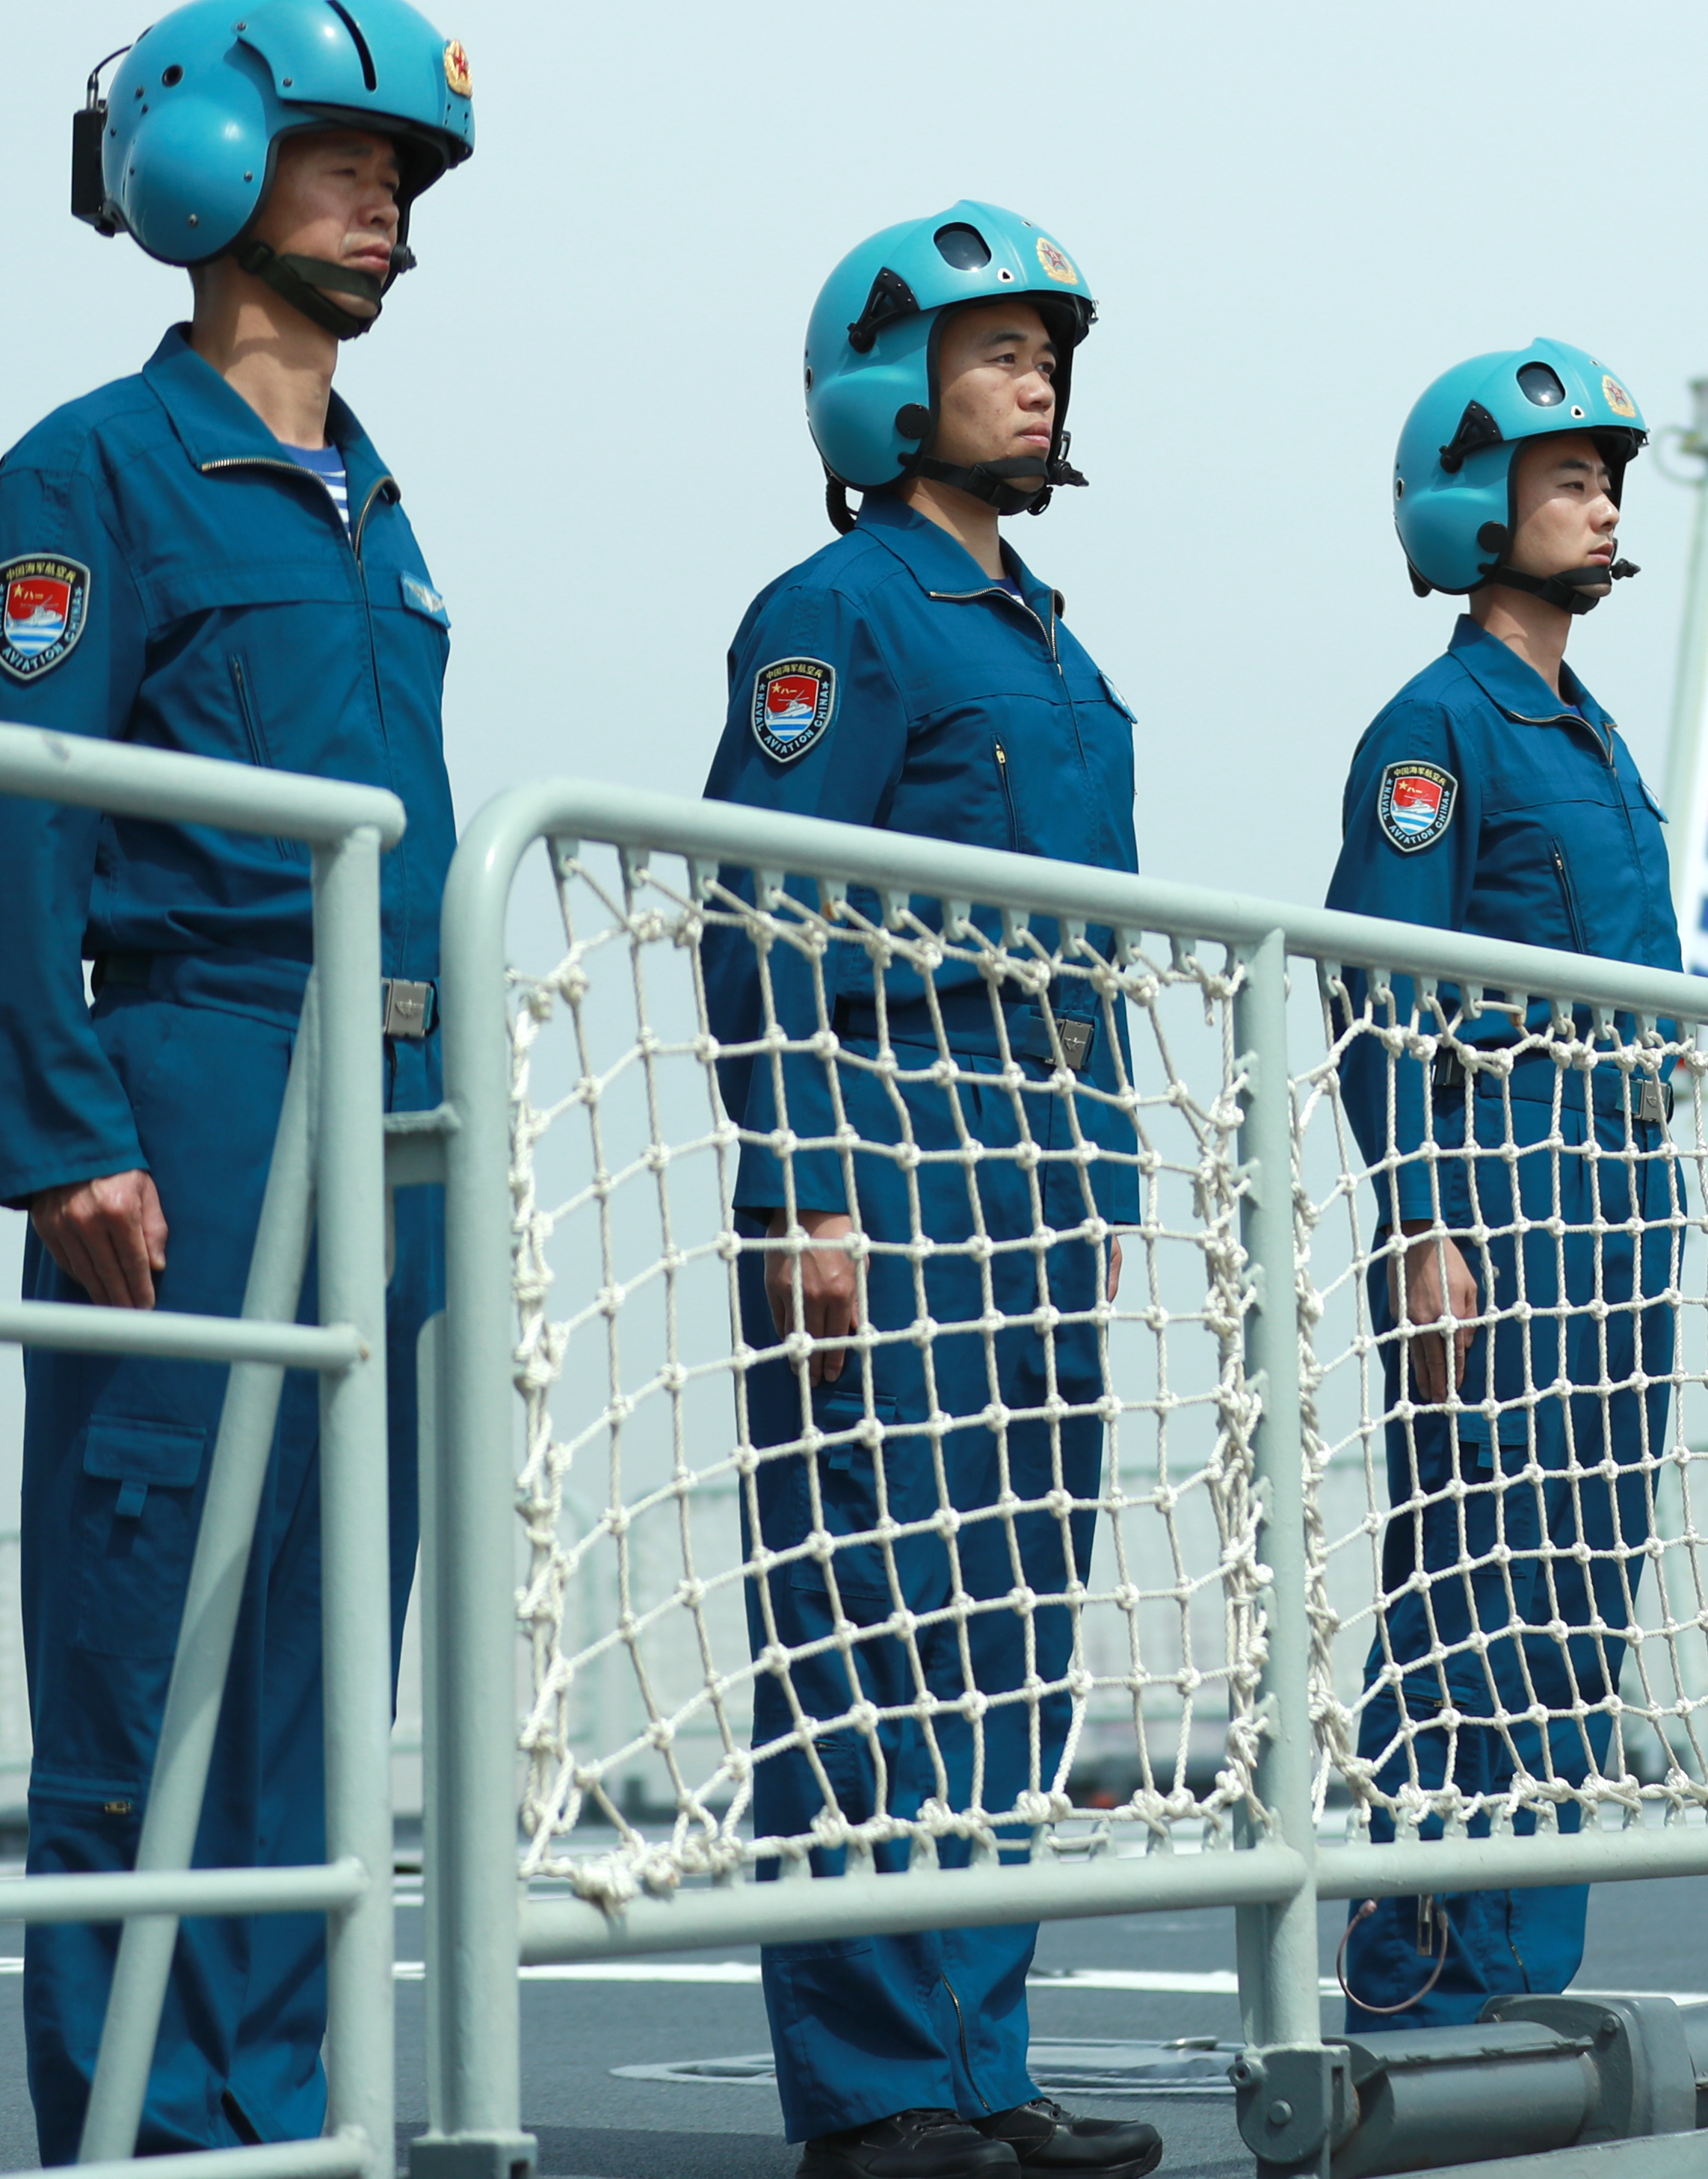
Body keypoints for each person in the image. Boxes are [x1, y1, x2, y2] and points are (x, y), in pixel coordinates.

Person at [0, 0, 469, 2160]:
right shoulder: (95, 470)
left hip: (386, 1113)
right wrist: (63, 1135)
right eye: (346, 157)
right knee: (153, 1631)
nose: (386, 203)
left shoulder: (377, 502)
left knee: (334, 1651)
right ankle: (148, 2130)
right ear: (206, 162)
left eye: (404, 173)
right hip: (199, 1081)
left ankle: (290, 2118)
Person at [696, 205, 1162, 2179]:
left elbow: (1092, 942)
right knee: (871, 1605)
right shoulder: (840, 612)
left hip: (1039, 1148)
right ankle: (880, 2090)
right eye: (998, 353)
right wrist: (805, 1185)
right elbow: (762, 910)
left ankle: (981, 2063)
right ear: (892, 386)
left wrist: (1105, 1169)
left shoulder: (1050, 638)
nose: (1038, 383)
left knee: (1011, 1616)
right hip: (889, 1132)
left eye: (1050, 355)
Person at [1323, 341, 1680, 2027]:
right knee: (1475, 1570)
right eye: (1569, 480)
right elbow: (1378, 984)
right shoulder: (1438, 727)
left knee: (1583, 1581)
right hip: (1500, 1168)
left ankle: (1524, 1977)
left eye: (1608, 482)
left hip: (1621, 1170)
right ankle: (1420, 1986)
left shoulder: (1590, 735)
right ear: (1476, 508)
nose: (1603, 506)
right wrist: (1423, 1216)